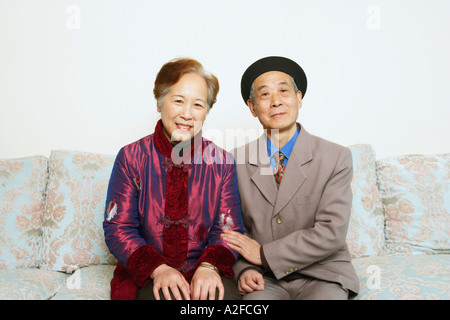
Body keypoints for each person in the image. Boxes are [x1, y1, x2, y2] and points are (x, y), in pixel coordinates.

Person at [103, 58, 243, 300]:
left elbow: (228, 228)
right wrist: (158, 270)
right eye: (178, 101)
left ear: (206, 111)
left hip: (204, 270)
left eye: (198, 105)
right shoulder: (131, 157)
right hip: (150, 272)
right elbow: (118, 227)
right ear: (160, 103)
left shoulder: (221, 162)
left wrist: (209, 267)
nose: (187, 114)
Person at [221, 56, 359, 299]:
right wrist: (244, 269)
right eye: (265, 95)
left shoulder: (335, 156)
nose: (276, 102)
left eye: (283, 91)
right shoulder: (234, 161)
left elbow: (332, 231)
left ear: (298, 98)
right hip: (263, 278)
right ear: (252, 108)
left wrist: (264, 254)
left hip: (323, 274)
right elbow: (231, 230)